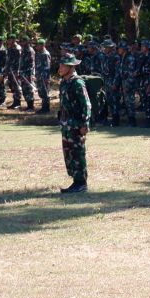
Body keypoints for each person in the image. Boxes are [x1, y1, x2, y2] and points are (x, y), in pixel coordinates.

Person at [56, 54, 92, 194]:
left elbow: (87, 104)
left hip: (76, 124)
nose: (60, 68)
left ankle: (81, 183)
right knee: (68, 153)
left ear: (71, 67)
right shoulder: (64, 82)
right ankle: (75, 181)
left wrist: (85, 123)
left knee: (77, 153)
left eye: (63, 65)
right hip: (66, 124)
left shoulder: (77, 83)